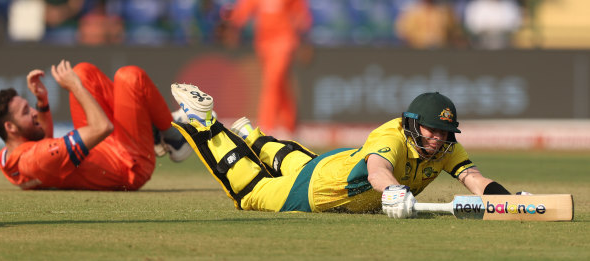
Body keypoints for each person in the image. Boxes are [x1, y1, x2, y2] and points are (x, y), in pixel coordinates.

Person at [170, 83, 517, 218]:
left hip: (330, 162)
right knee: (250, 191)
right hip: (317, 191)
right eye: (432, 130)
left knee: (291, 161)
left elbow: (474, 178)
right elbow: (377, 170)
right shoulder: (392, 136)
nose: (438, 139)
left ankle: (252, 135)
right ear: (412, 123)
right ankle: (205, 122)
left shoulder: (443, 148)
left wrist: (507, 201)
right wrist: (394, 191)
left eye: (444, 133)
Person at [0, 60, 191, 191]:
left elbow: (42, 144)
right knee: (130, 76)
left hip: (102, 148)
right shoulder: (36, 159)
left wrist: (43, 101)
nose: (35, 112)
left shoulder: (8, 158)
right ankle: (174, 138)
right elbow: (102, 128)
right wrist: (74, 87)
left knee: (83, 71)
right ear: (10, 127)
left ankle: (149, 130)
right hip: (130, 166)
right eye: (26, 112)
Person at [226, 0, 312, 134]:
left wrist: (305, 41)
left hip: (285, 40)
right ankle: (291, 125)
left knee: (272, 81)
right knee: (280, 83)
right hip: (263, 42)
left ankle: (267, 126)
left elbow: (300, 13)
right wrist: (234, 27)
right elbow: (244, 9)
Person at [394, 0, 466, 49]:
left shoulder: (444, 12)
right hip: (417, 51)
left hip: (441, 51)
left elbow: (454, 32)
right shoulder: (410, 13)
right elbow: (404, 35)